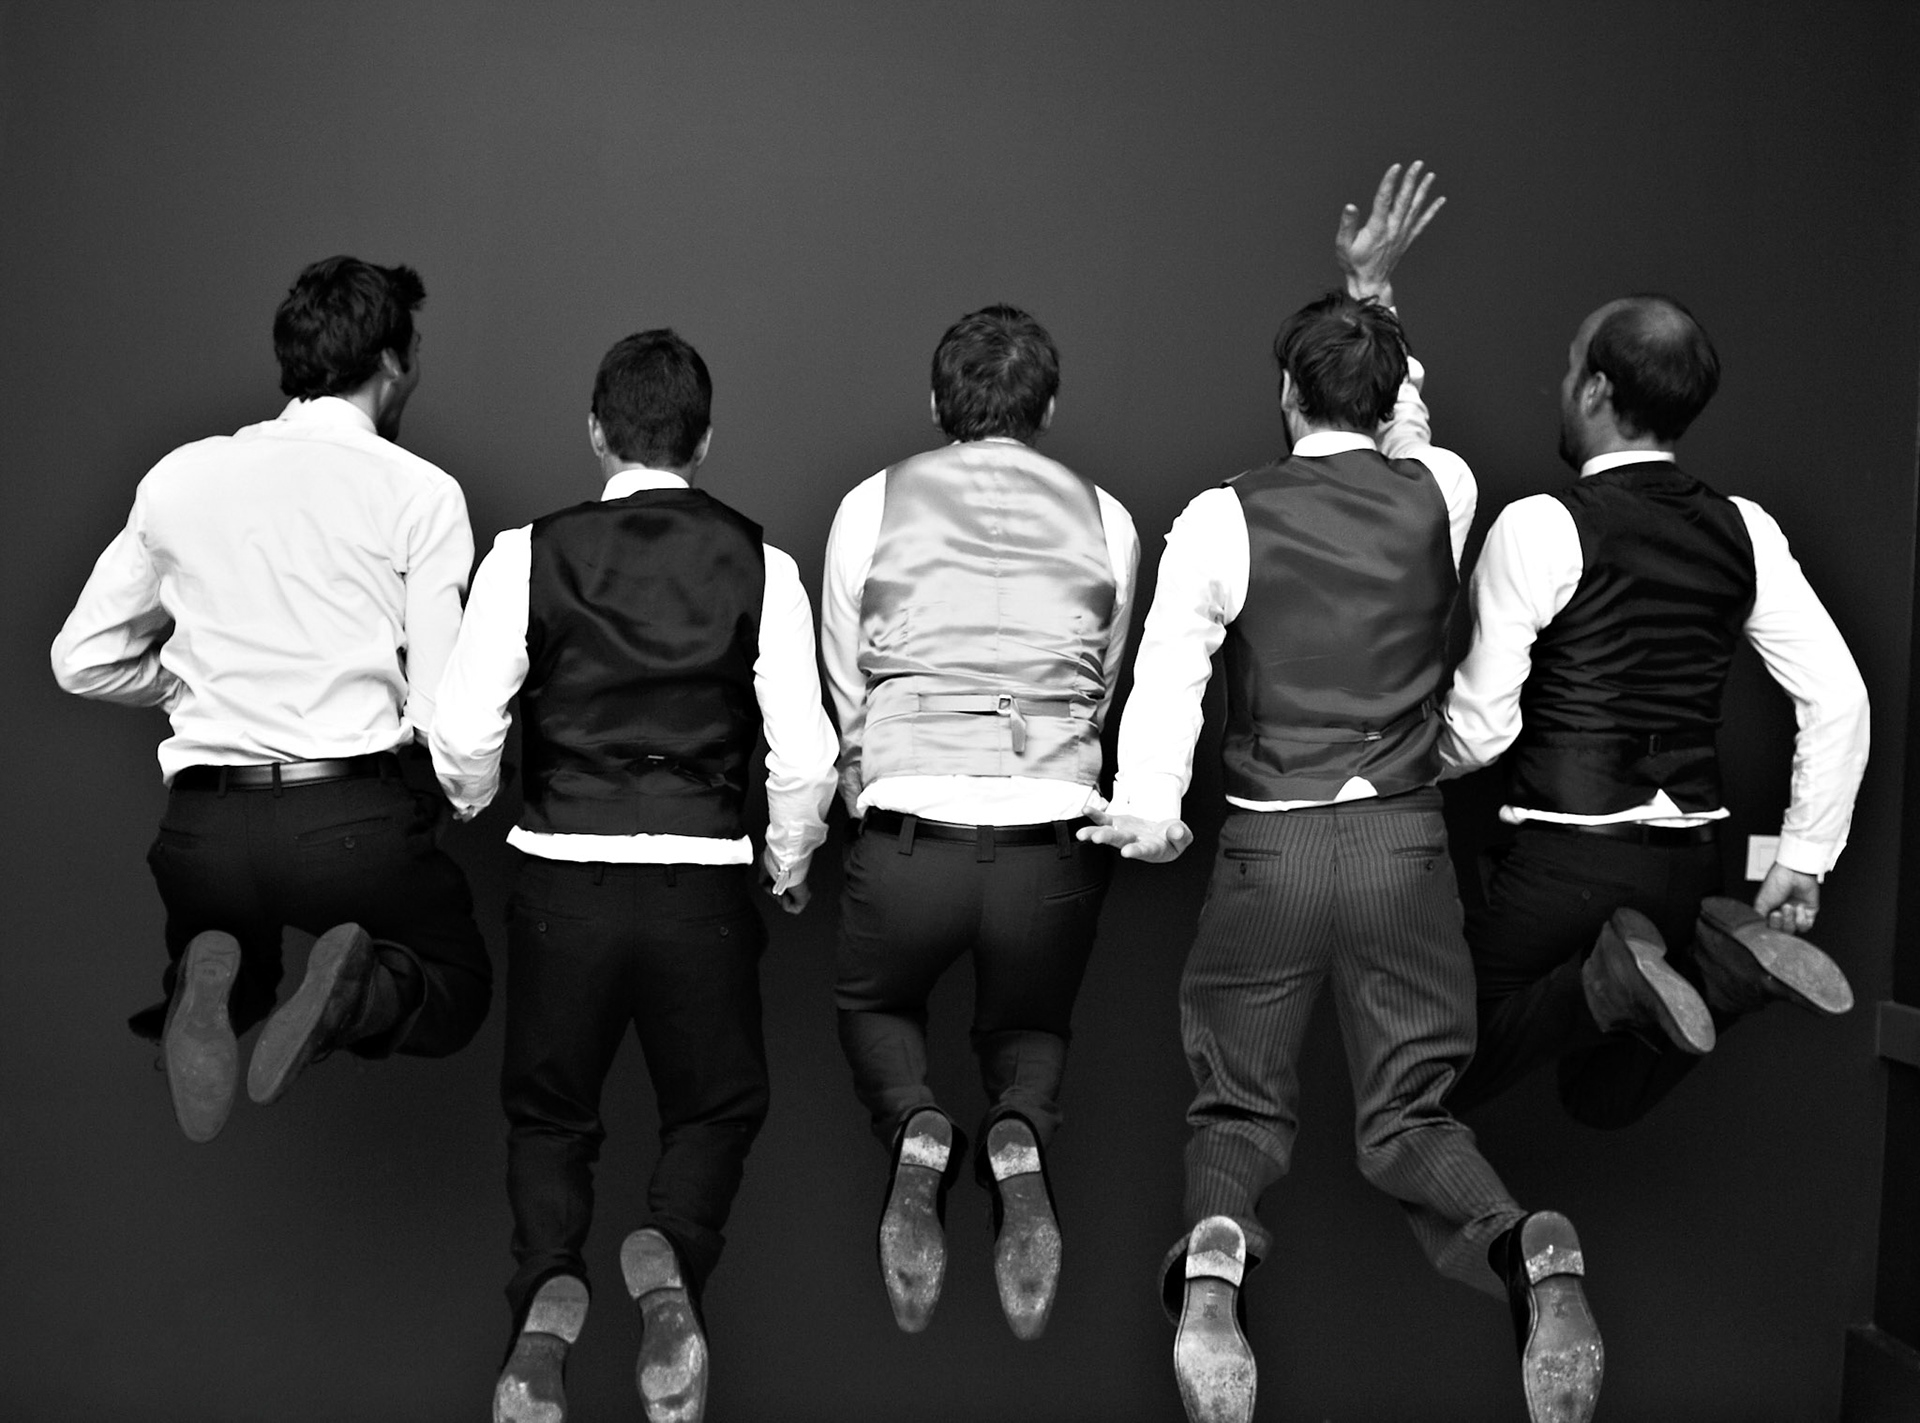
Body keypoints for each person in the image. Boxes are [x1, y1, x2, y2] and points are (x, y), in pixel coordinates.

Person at [1083, 165, 1602, 1423]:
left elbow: (1170, 670)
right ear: (1387, 400)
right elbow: (1403, 418)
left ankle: (1218, 1255)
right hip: (1405, 846)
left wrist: (1151, 803)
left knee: (1239, 1104)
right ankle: (1523, 1244)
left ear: (1284, 394)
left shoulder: (1221, 516)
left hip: (1270, 850)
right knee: (1411, 1110)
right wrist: (1374, 297)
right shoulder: (1445, 490)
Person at [430, 328, 836, 1423]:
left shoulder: (525, 553)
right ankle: (669, 1247)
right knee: (715, 1105)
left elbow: (462, 731)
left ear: (596, 432)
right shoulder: (764, 564)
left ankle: (547, 1290)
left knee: (548, 1114)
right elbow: (806, 758)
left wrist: (473, 801)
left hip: (560, 877)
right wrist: (786, 861)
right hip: (700, 882)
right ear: (704, 441)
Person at [51, 255, 490, 1146]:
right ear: (394, 360)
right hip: (350, 820)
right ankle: (356, 995)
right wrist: (465, 792)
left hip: (205, 828)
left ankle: (209, 972)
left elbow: (80, 658)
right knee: (455, 986)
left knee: (235, 969)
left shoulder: (181, 476)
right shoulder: (419, 491)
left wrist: (182, 684)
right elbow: (440, 706)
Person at [1439, 294, 1868, 1128]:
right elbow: (1840, 697)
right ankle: (1722, 976)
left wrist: (1399, 763)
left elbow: (1481, 732)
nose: (1564, 384)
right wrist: (1803, 856)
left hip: (1564, 866)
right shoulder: (1746, 529)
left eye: (1571, 366)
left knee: (1428, 1078)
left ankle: (1608, 982)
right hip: (1688, 874)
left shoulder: (1539, 526)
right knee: (1600, 1098)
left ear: (1597, 388)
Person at [819, 303, 1139, 1340]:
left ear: (934, 404)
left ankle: (918, 1120)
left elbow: (848, 675)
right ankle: (1018, 1133)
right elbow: (1101, 680)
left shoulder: (870, 504)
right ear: (1048, 407)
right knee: (1030, 1026)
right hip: (1052, 836)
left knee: (875, 1004)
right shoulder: (1108, 516)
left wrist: (869, 778)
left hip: (910, 831)